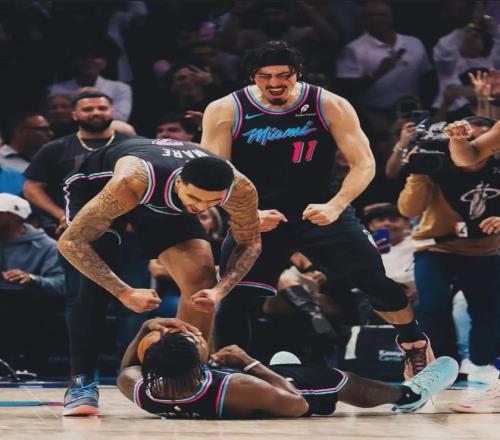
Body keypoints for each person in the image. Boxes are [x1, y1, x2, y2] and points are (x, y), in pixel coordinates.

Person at [201, 40, 434, 379]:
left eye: (283, 75)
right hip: (258, 215)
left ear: (298, 73)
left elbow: (364, 164)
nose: (275, 83)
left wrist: (336, 206)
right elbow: (214, 174)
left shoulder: (329, 104)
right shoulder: (225, 109)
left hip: (321, 209)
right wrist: (245, 214)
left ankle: (413, 342)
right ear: (253, 76)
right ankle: (230, 375)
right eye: (266, 76)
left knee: (374, 281)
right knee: (237, 298)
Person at [58, 137, 261, 416]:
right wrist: (124, 291)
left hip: (166, 203)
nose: (202, 208)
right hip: (101, 189)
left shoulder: (240, 188)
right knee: (94, 285)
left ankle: (187, 377)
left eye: (213, 202)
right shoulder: (131, 181)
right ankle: (81, 382)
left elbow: (250, 243)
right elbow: (71, 243)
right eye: (196, 198)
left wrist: (220, 290)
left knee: (201, 283)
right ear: (179, 182)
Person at [117, 317, 458, 419]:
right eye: (195, 341)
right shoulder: (238, 386)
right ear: (197, 361)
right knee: (334, 379)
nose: (198, 337)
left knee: (286, 366)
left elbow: (128, 367)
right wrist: (249, 363)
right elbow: (299, 405)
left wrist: (146, 326)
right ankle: (408, 394)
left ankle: (288, 368)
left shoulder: (142, 389)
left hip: (251, 395)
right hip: (285, 394)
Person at [398, 116, 500, 382]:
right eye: (468, 138)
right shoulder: (437, 163)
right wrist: (418, 172)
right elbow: (408, 210)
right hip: (437, 248)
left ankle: (480, 363)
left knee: (488, 309)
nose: (473, 143)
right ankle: (439, 365)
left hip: (484, 251)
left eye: (482, 139)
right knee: (433, 306)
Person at [24, 91, 133, 235]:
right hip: (72, 230)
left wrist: (139, 218)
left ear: (112, 111)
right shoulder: (56, 148)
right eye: (88, 109)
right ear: (74, 114)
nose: (96, 113)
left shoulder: (135, 145)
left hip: (127, 231)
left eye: (102, 108)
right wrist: (61, 215)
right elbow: (31, 188)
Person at [48, 40, 132, 121]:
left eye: (95, 57)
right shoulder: (56, 89)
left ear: (104, 63)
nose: (89, 61)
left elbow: (121, 117)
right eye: (83, 57)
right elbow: (54, 118)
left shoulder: (120, 88)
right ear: (74, 62)